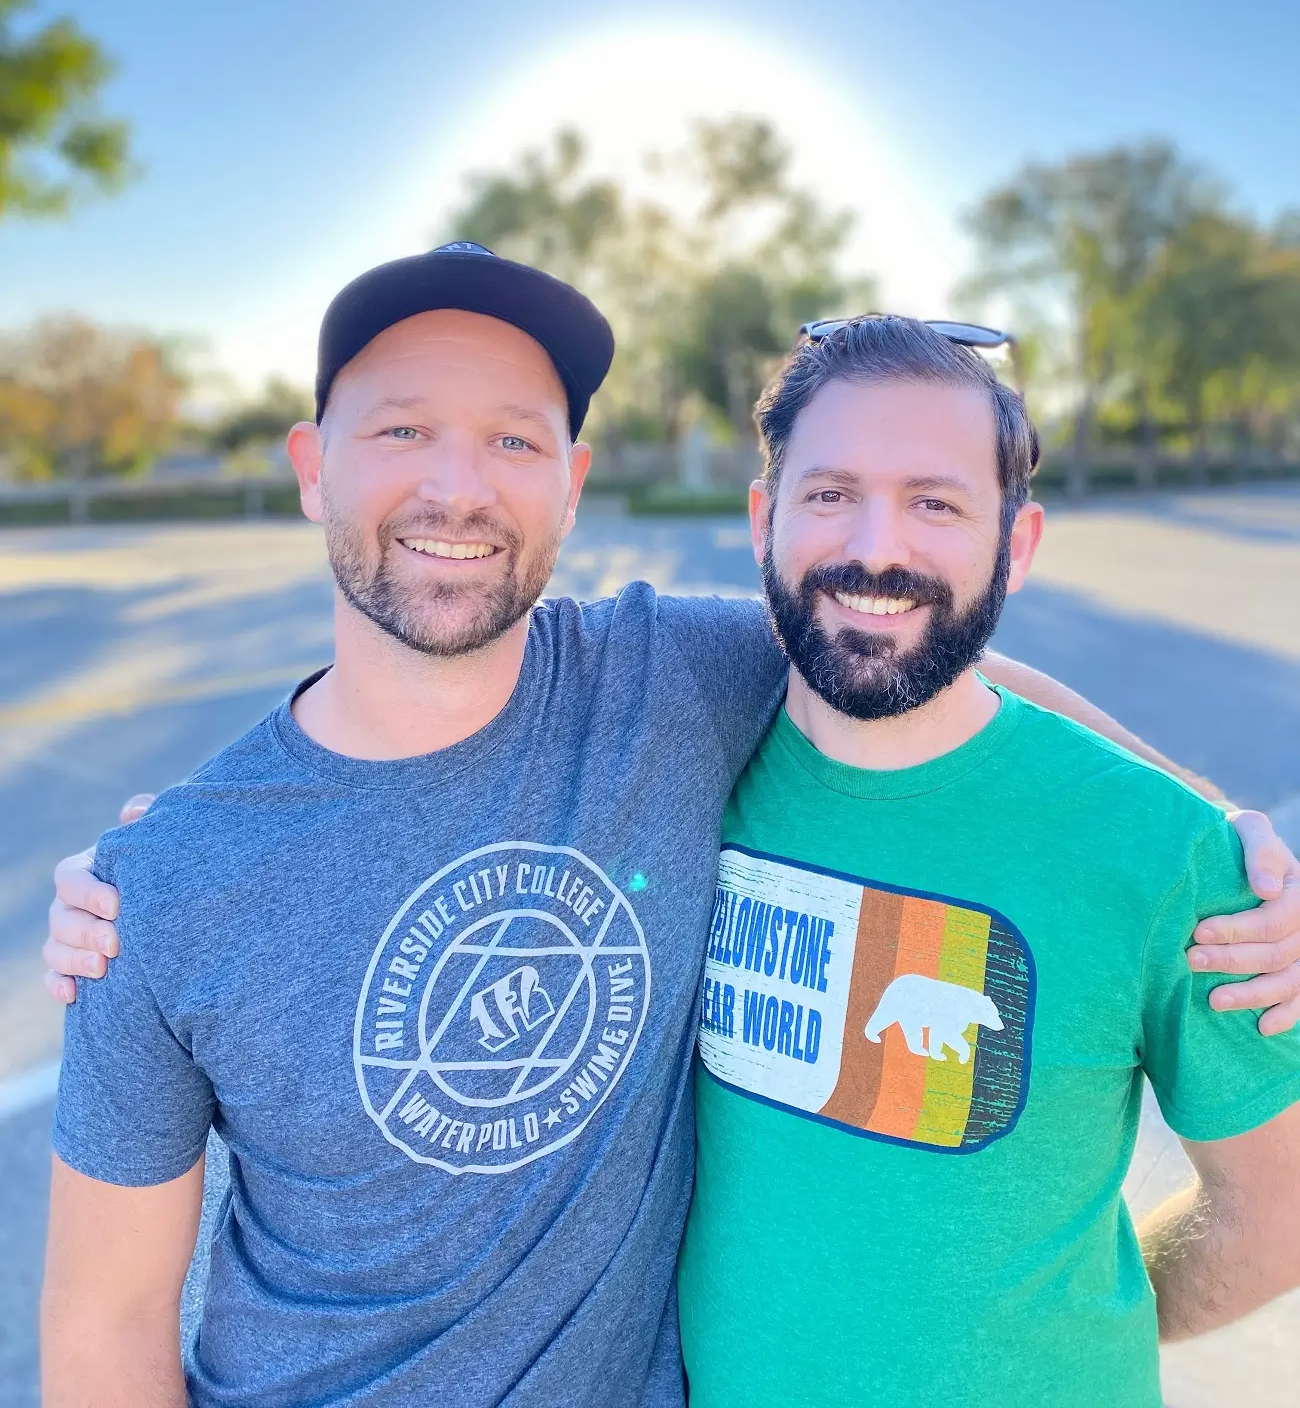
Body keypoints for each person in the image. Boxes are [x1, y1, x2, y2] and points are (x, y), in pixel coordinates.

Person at [39, 248, 1300, 1408]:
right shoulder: (158, 886)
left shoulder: (662, 676)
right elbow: (106, 1322)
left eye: (515, 440)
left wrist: (1222, 827)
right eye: (404, 427)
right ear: (315, 464)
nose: (458, 484)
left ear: (573, 484)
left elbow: (909, 642)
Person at [677, 317, 1300, 1408]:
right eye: (829, 493)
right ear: (761, 520)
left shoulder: (1174, 861)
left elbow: (1279, 1210)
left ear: (1015, 542)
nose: (877, 546)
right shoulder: (685, 750)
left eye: (936, 501)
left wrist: (1074, 1325)